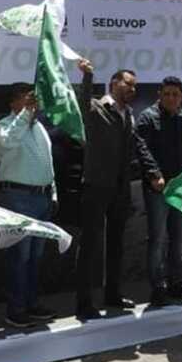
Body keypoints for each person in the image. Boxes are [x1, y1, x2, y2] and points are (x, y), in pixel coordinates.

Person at [74, 60, 160, 320]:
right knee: (89, 245)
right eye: (128, 84)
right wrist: (87, 77)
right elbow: (81, 102)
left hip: (120, 188)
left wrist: (153, 171)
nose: (133, 89)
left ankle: (112, 294)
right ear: (113, 84)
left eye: (135, 86)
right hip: (95, 185)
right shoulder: (96, 108)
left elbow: (138, 145)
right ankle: (84, 303)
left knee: (116, 244)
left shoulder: (128, 114)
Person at [0, 82, 58, 328]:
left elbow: (46, 162)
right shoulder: (3, 126)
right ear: (13, 103)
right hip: (19, 197)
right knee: (19, 256)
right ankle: (16, 309)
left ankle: (31, 304)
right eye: (25, 98)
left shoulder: (39, 127)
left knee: (35, 257)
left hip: (42, 198)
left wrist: (53, 192)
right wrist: (25, 114)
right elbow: (8, 143)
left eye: (34, 99)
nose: (32, 103)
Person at [136, 76, 182, 307]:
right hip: (158, 188)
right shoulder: (147, 117)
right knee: (157, 239)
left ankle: (176, 283)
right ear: (159, 94)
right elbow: (142, 150)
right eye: (167, 94)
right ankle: (157, 288)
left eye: (176, 94)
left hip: (181, 190)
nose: (172, 98)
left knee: (178, 238)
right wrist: (154, 175)